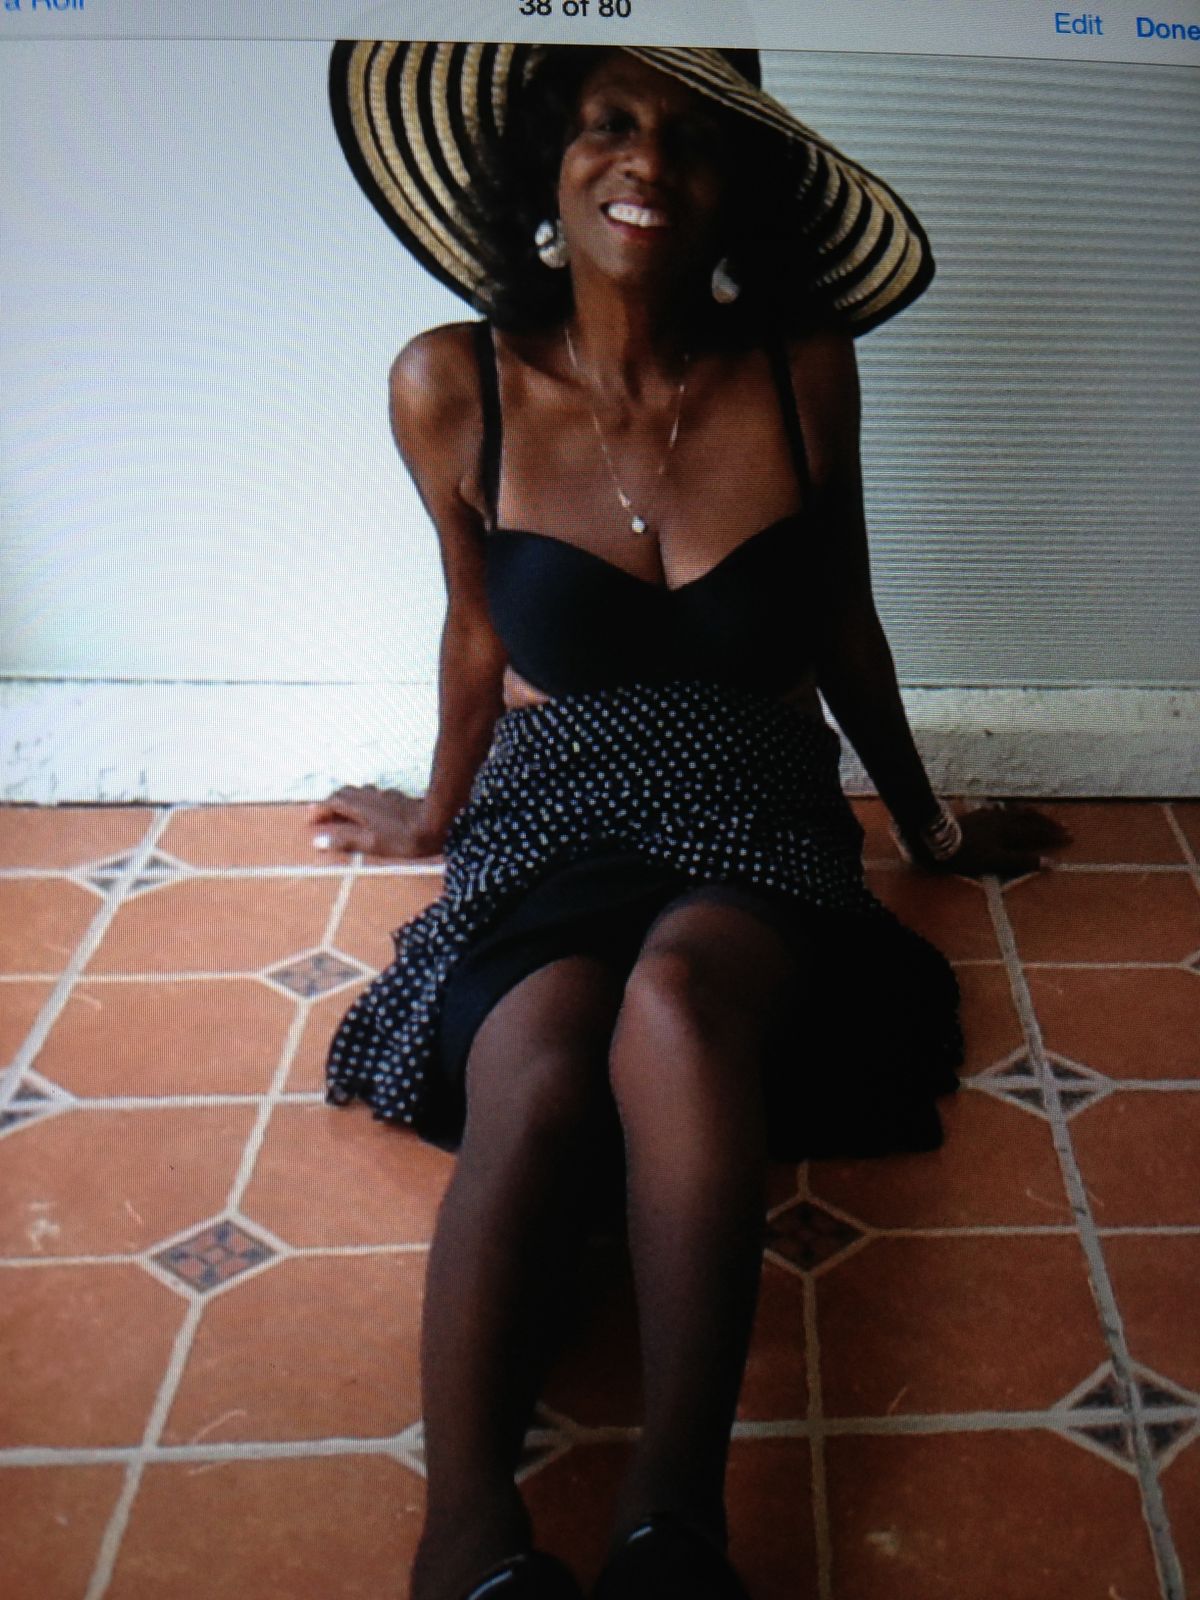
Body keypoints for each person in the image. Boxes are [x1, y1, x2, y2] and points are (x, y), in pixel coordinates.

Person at [314, 43, 1067, 1600]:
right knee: (537, 1064)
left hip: (751, 799)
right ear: (548, 168)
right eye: (608, 125)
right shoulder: (452, 383)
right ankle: (468, 1540)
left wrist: (925, 829)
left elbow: (843, 623)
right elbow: (477, 630)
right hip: (550, 808)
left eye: (692, 140)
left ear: (739, 194)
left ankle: (675, 1520)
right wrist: (436, 812)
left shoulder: (800, 370)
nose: (647, 161)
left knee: (673, 1004)